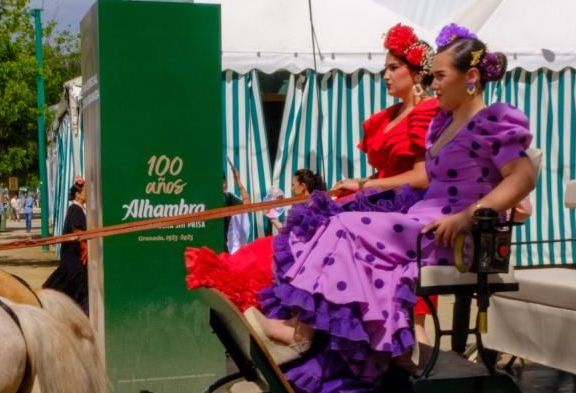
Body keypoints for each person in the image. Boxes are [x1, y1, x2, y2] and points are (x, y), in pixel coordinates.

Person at [259, 28, 536, 393]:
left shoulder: (492, 121)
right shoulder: (442, 123)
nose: (432, 83)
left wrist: (467, 217)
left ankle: (303, 333)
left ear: (470, 78)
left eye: (440, 76)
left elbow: (522, 177)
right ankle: (334, 341)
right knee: (328, 220)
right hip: (423, 221)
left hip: (455, 235)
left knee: (343, 227)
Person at [186, 23, 444, 311]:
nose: (385, 75)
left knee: (315, 235)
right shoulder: (389, 116)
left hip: (399, 211)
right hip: (374, 198)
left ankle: (284, 309)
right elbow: (388, 172)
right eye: (386, 68)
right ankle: (242, 279)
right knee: (295, 233)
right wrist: (359, 182)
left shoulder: (425, 112)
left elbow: (421, 177)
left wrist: (363, 185)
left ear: (417, 72)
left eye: (393, 68)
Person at [43, 178, 89, 313]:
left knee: (67, 284)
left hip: (72, 256)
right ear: (78, 194)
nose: (87, 194)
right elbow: (78, 232)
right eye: (85, 191)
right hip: (73, 256)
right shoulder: (75, 210)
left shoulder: (76, 209)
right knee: (77, 285)